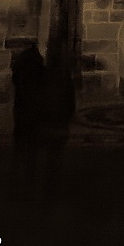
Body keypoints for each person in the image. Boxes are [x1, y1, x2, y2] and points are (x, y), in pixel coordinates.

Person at [10, 44, 46, 198]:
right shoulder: (40, 73)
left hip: (22, 112)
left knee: (21, 147)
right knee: (32, 149)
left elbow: (15, 82)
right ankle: (30, 180)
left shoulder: (20, 73)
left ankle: (18, 182)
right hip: (34, 114)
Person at [40, 54, 76, 201]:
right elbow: (70, 102)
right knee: (57, 154)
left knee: (51, 154)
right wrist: (68, 117)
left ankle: (50, 185)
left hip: (50, 123)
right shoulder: (65, 80)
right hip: (59, 123)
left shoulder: (44, 80)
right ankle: (55, 184)